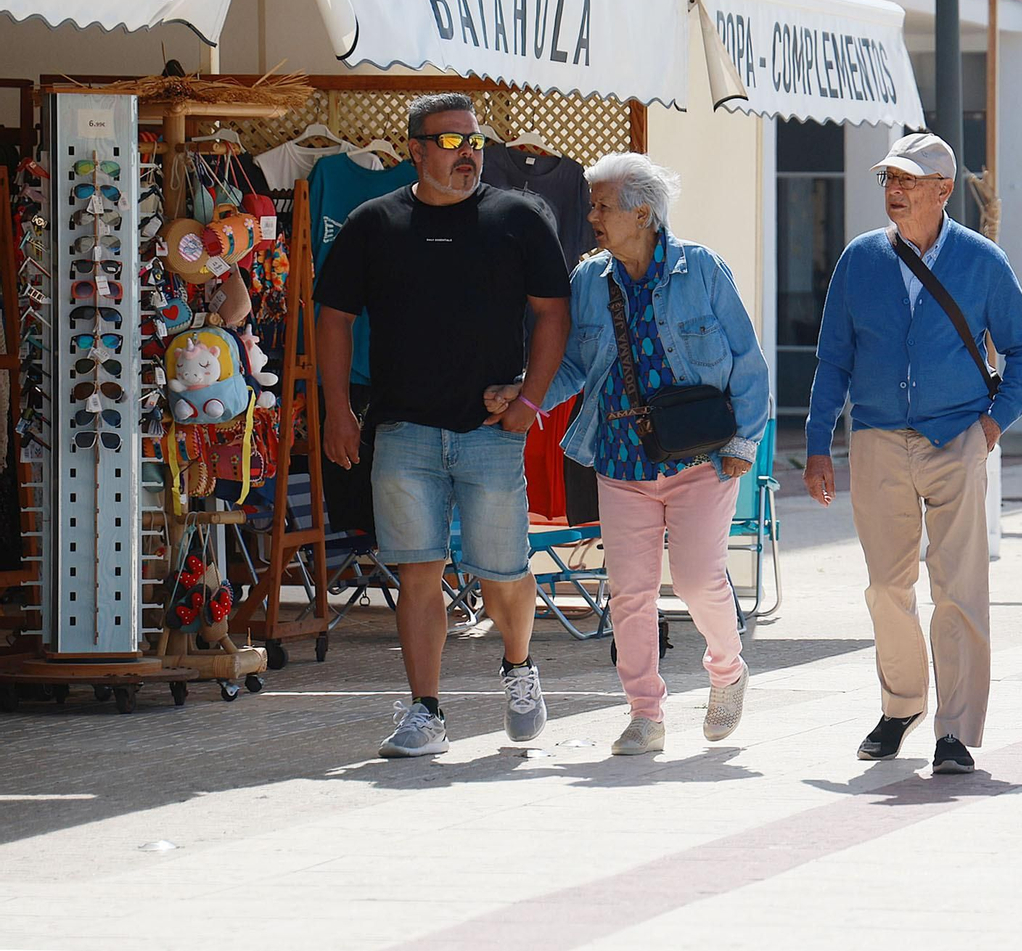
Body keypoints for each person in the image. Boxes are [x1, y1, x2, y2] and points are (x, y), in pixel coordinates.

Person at [315, 93, 573, 758]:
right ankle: (426, 712)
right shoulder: (374, 223)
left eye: (475, 139)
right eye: (452, 142)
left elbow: (553, 313)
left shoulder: (518, 217)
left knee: (503, 567)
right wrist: (337, 408)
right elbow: (334, 318)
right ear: (416, 150)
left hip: (490, 431)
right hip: (402, 430)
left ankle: (518, 669)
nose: (469, 153)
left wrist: (530, 400)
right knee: (418, 570)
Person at [489, 152, 769, 756]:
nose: (592, 215)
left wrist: (745, 440)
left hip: (702, 454)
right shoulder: (590, 281)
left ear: (642, 212)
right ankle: (646, 713)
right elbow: (570, 366)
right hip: (620, 457)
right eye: (591, 204)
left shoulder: (703, 270)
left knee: (697, 579)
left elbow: (748, 361)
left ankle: (727, 669)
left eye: (602, 206)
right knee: (630, 591)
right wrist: (526, 395)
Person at [804, 131, 1022, 775]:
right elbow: (833, 357)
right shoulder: (860, 260)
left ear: (944, 191)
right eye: (889, 179)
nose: (896, 190)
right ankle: (902, 704)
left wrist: (993, 424)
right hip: (878, 438)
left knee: (960, 588)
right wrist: (818, 442)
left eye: (909, 181)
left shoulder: (983, 261)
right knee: (887, 587)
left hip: (956, 435)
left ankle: (957, 730)